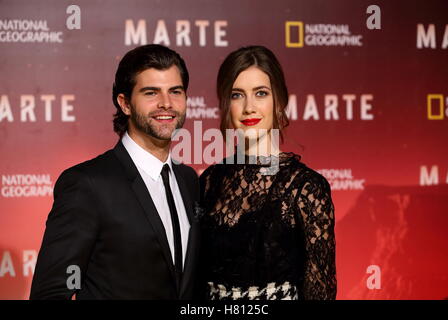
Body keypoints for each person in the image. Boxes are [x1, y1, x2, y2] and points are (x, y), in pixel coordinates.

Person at [30, 44, 201, 300]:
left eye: (175, 91)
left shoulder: (189, 181)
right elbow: (51, 293)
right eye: (151, 93)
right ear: (125, 103)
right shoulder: (87, 184)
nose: (166, 103)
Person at [198, 45, 337, 300]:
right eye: (237, 95)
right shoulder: (209, 182)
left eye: (260, 93)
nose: (249, 107)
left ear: (279, 101)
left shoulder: (305, 188)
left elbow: (319, 292)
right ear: (225, 104)